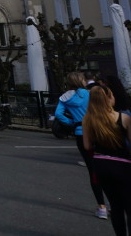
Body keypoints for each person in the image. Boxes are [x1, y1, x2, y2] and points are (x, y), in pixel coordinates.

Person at [55, 71, 108, 219]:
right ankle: (115, 202)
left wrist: (71, 123)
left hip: (81, 133)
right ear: (82, 81)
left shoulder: (65, 97)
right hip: (98, 130)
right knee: (108, 164)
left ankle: (101, 206)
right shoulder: (89, 94)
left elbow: (58, 114)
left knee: (92, 170)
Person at [83, 84, 131, 233]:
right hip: (123, 165)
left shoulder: (88, 119)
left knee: (115, 206)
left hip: (101, 164)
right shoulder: (124, 118)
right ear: (109, 98)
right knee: (130, 206)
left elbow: (87, 146)